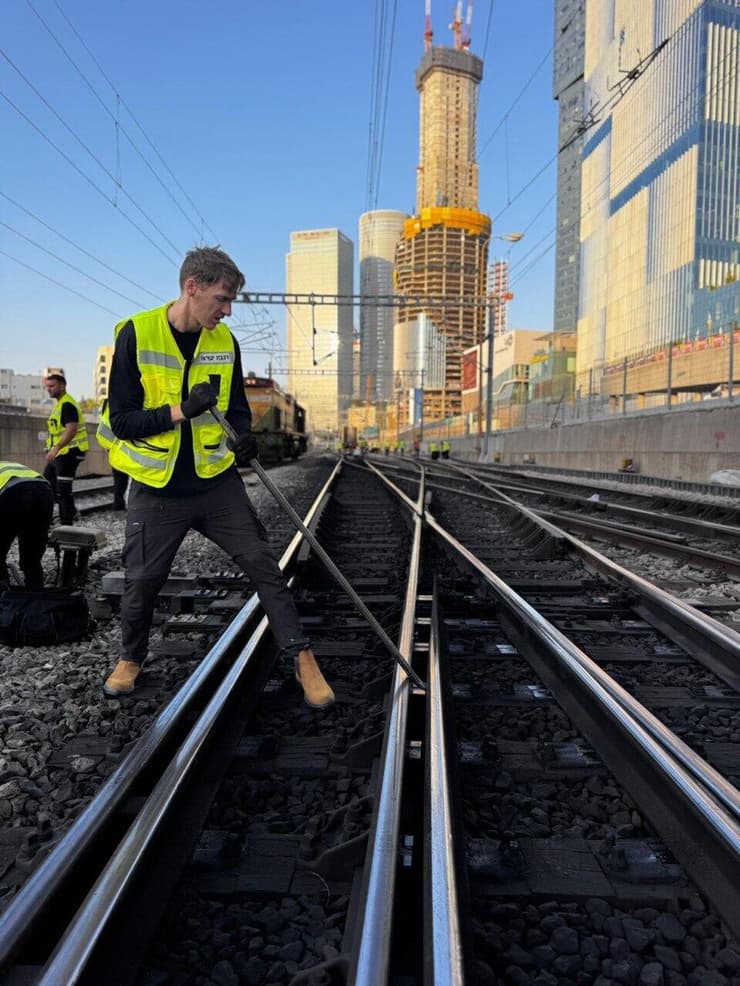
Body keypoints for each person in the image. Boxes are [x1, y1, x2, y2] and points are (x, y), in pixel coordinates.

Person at [101, 246, 334, 709]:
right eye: (222, 300)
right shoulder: (136, 333)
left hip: (215, 484)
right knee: (142, 580)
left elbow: (238, 413)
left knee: (265, 566)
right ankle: (131, 658)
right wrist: (180, 411)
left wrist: (242, 441)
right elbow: (122, 421)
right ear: (193, 287)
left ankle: (303, 656)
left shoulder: (224, 343)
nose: (227, 312)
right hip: (157, 487)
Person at [0, 462, 54, 590]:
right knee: (32, 557)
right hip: (43, 491)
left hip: (12, 493)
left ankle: (4, 597)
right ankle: (35, 599)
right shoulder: (7, 465)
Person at [44, 373, 89, 525]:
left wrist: (55, 448)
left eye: (52, 386)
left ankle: (66, 523)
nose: (49, 389)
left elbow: (72, 429)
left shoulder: (67, 404)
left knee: (63, 489)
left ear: (62, 386)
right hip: (61, 453)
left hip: (69, 452)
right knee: (47, 484)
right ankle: (69, 512)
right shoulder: (60, 404)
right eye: (47, 387)